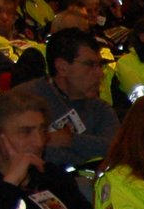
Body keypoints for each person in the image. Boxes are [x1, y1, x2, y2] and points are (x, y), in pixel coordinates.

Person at [18, 29, 118, 169]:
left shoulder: (101, 109)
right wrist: (89, 152)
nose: (100, 74)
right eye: (90, 65)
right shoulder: (24, 100)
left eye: (100, 65)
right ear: (62, 67)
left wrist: (69, 140)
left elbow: (116, 150)